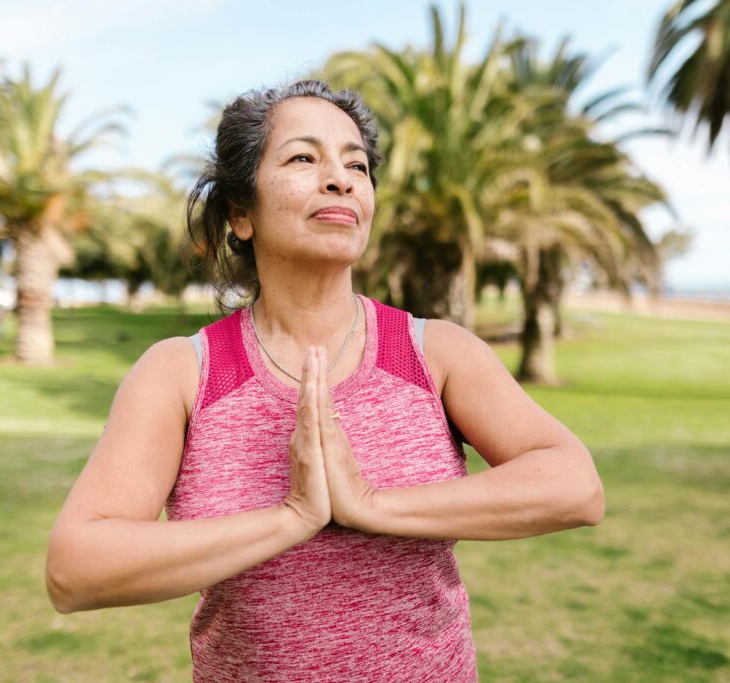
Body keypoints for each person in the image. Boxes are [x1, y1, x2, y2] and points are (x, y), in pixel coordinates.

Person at [45, 79, 605, 681]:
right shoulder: (183, 373)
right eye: (303, 158)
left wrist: (369, 505)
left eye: (356, 165)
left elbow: (576, 487)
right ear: (241, 214)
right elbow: (75, 570)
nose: (340, 178)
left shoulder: (434, 353)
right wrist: (291, 516)